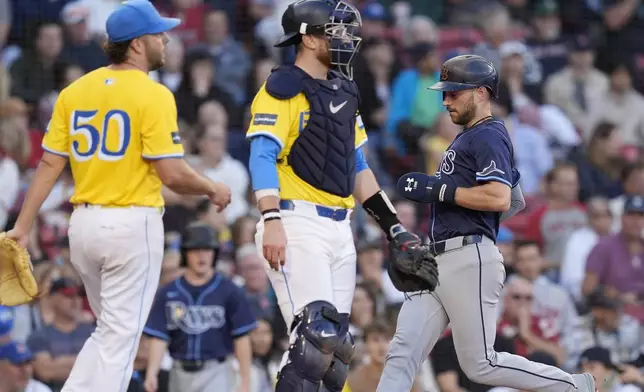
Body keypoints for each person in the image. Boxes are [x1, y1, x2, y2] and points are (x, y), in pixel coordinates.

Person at [3, 1, 232, 391]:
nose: (165, 39)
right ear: (137, 44)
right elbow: (172, 173)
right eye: (158, 34)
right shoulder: (153, 93)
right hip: (130, 225)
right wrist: (212, 186)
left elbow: (48, 166)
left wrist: (22, 227)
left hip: (84, 228)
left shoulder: (74, 92)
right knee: (121, 340)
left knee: (108, 332)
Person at [378, 55, 597, 392]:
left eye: (454, 93)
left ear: (480, 92)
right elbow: (515, 199)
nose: (445, 100)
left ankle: (573, 386)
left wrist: (441, 190)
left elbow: (499, 199)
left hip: (469, 259)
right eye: (444, 93)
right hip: (437, 259)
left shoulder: (489, 134)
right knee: (402, 352)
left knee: (481, 364)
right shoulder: (471, 137)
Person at [245, 0, 426, 391]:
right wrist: (271, 218)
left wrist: (395, 228)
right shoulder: (282, 88)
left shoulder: (345, 89)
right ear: (309, 38)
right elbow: (261, 155)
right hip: (296, 221)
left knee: (336, 351)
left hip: (340, 228)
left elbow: (358, 167)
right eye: (336, 32)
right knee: (316, 337)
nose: (347, 39)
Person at [143, 222, 257, 392]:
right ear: (185, 253)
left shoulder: (229, 290)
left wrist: (245, 379)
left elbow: (241, 337)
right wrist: (152, 372)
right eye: (195, 250)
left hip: (217, 370)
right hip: (179, 369)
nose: (202, 256)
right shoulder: (169, 292)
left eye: (207, 250)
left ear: (214, 253)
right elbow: (159, 336)